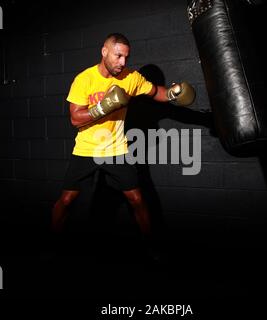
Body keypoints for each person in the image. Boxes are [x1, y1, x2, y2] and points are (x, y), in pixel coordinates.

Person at [51, 33, 195, 258]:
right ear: (104, 51)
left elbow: (156, 92)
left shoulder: (131, 78)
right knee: (67, 199)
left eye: (126, 57)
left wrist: (173, 94)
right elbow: (75, 119)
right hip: (87, 148)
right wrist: (104, 107)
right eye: (118, 56)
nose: (122, 63)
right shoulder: (84, 79)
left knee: (137, 199)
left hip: (117, 149)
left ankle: (151, 247)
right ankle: (52, 244)